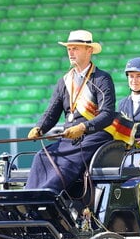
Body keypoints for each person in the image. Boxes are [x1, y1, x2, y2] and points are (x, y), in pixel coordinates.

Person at [25, 30, 116, 192]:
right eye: (69, 49)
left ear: (89, 51)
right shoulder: (64, 81)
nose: (71, 53)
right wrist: (40, 128)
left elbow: (107, 114)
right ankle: (30, 197)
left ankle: (48, 196)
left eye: (75, 48)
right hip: (69, 138)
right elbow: (52, 112)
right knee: (41, 156)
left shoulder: (102, 79)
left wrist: (83, 128)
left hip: (94, 137)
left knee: (67, 161)